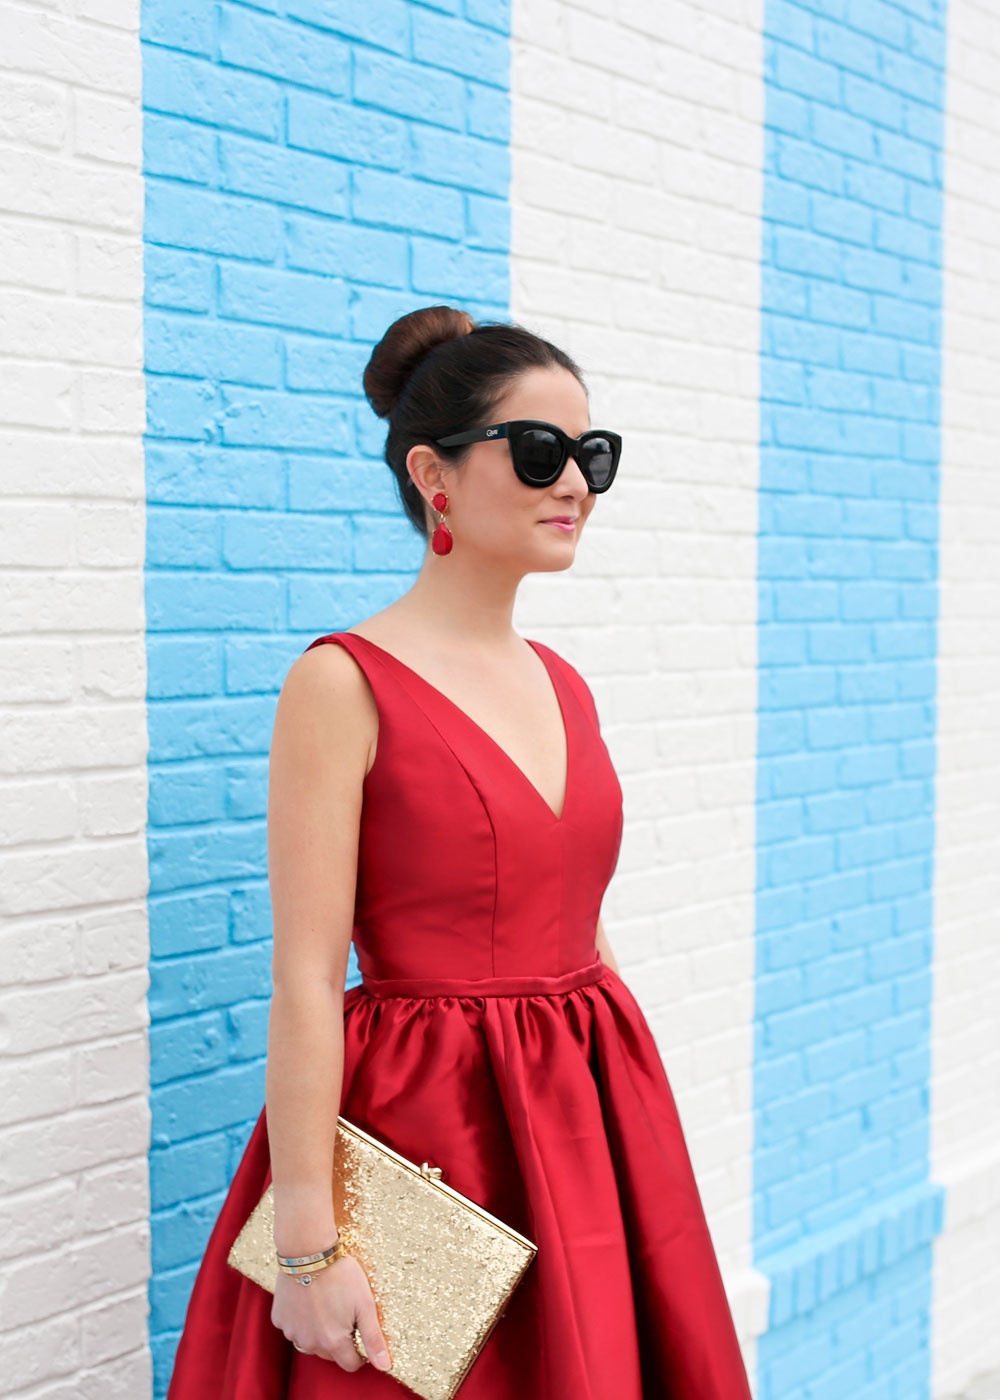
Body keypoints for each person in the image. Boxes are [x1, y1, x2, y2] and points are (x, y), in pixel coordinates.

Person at [166, 305, 754, 1399]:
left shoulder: (564, 683)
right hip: (433, 1122)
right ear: (432, 475)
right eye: (539, 453)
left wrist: (633, 1135)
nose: (573, 482)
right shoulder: (341, 681)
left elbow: (574, 911)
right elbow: (304, 972)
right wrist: (306, 1241)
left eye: (592, 455)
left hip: (588, 1113)